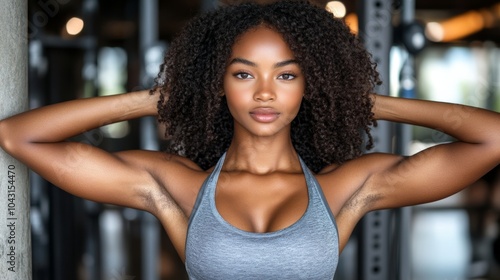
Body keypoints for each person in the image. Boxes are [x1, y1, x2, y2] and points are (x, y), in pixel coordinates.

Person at [1, 0, 499, 279]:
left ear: (310, 84)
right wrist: (158, 98)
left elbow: (491, 139)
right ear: (218, 82)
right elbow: (20, 136)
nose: (264, 93)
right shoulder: (180, 189)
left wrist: (358, 99)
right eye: (243, 75)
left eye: (286, 76)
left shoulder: (343, 190)